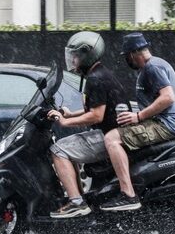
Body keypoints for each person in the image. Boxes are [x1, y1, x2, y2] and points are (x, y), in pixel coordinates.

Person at [100, 32, 175, 212]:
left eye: (126, 56)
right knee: (120, 133)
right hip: (164, 121)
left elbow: (168, 98)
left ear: (132, 54)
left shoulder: (151, 68)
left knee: (111, 139)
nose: (126, 60)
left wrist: (138, 117)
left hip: (166, 124)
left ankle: (128, 194)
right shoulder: (155, 65)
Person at [47, 31, 128, 219]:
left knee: (58, 150)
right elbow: (99, 109)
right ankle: (79, 197)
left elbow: (97, 116)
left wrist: (66, 122)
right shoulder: (99, 73)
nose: (72, 60)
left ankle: (76, 202)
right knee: (67, 148)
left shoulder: (95, 79)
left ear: (86, 55)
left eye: (75, 56)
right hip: (112, 132)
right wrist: (70, 113)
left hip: (108, 135)